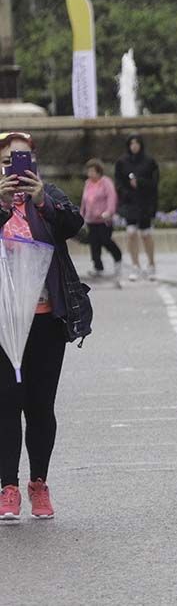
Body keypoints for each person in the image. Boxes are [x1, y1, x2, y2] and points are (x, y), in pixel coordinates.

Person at [0, 131, 93, 520]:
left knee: (40, 407)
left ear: (34, 162)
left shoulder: (49, 195)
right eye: (8, 160)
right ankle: (8, 487)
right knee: (7, 405)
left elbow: (76, 224)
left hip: (46, 320)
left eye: (22, 159)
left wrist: (40, 199)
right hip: (6, 323)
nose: (16, 167)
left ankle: (39, 484)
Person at [114, 133, 159, 281]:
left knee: (146, 234)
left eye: (137, 143)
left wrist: (139, 182)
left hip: (145, 202)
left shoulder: (149, 161)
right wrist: (125, 192)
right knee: (131, 233)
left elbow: (154, 183)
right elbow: (118, 183)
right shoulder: (122, 162)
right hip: (129, 203)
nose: (134, 146)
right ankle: (135, 265)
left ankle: (151, 264)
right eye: (131, 143)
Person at [80, 158, 122, 279]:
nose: (90, 173)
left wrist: (108, 212)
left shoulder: (106, 182)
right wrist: (82, 214)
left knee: (105, 240)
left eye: (92, 171)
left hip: (104, 220)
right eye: (89, 171)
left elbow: (111, 198)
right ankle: (98, 267)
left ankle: (118, 257)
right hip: (91, 220)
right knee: (94, 244)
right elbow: (84, 200)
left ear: (99, 171)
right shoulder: (88, 183)